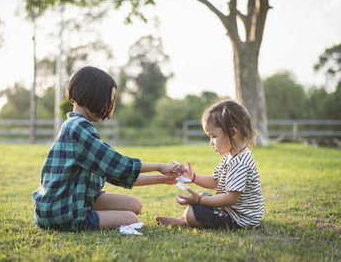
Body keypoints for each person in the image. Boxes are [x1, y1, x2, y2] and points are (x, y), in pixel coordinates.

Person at [33, 66, 180, 231]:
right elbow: (119, 166)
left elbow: (114, 173)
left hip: (73, 198)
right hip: (63, 210)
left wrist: (162, 178)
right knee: (130, 218)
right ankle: (81, 220)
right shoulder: (78, 129)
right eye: (108, 101)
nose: (109, 106)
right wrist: (159, 166)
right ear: (93, 97)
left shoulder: (77, 125)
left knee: (135, 205)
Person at [156, 99, 264, 229]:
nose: (211, 142)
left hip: (242, 218)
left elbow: (231, 199)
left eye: (213, 136)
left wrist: (200, 201)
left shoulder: (240, 163)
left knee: (193, 211)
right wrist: (193, 177)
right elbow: (215, 181)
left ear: (233, 133)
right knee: (202, 196)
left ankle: (186, 219)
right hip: (231, 211)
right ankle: (183, 219)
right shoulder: (231, 155)